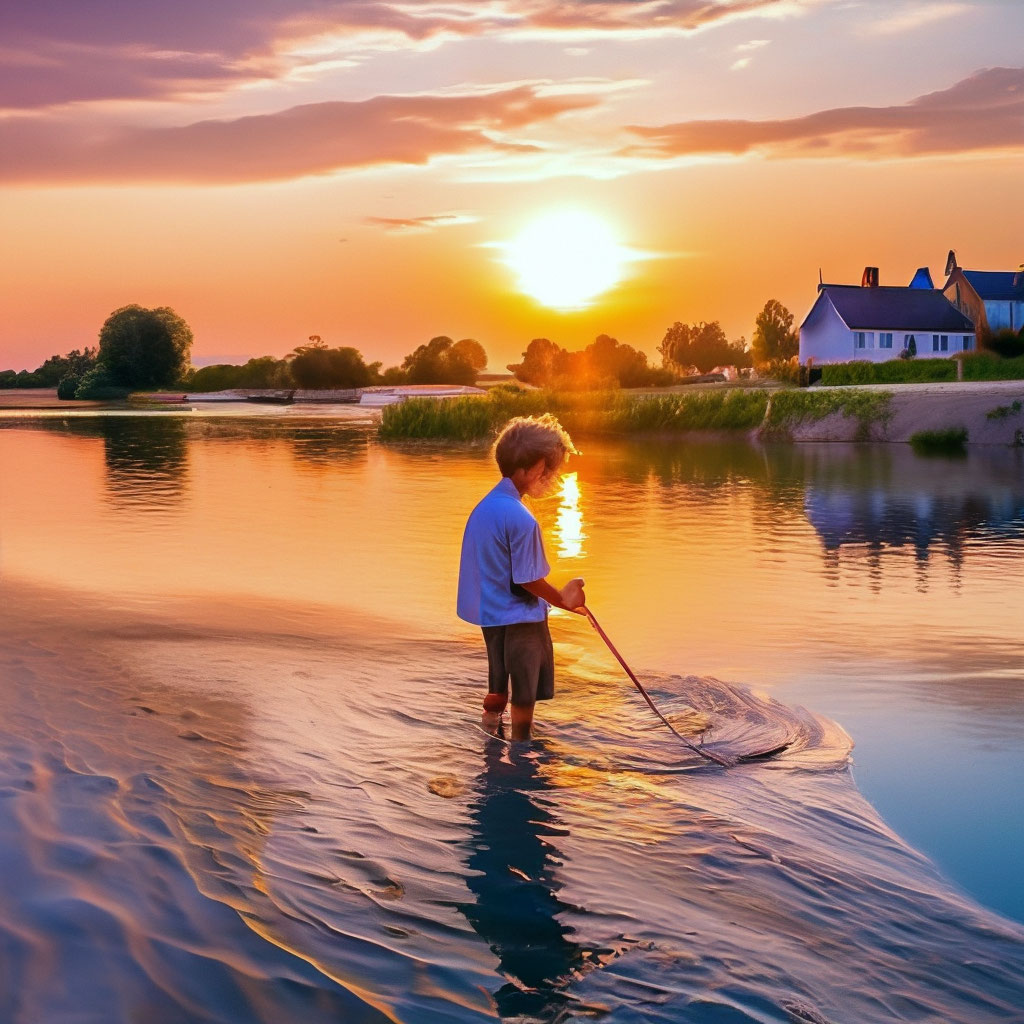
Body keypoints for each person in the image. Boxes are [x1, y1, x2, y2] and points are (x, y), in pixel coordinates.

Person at [457, 414, 586, 740]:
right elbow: (528, 580)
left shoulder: (486, 507)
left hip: (492, 614)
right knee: (525, 692)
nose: (549, 478)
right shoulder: (520, 518)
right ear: (534, 467)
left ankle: (490, 734)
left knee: (498, 681)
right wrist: (564, 599)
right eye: (549, 470)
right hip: (519, 618)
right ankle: (521, 750)